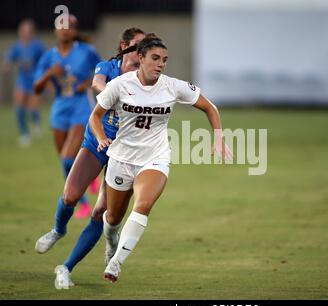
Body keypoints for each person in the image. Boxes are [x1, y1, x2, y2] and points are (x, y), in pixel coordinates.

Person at [89, 33, 233, 283]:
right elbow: (95, 116)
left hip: (154, 157)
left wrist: (218, 136)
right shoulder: (120, 85)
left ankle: (116, 263)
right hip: (122, 157)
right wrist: (101, 137)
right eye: (155, 58)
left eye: (164, 60)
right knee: (112, 219)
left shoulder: (172, 86)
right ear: (141, 58)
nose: (160, 64)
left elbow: (210, 107)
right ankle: (111, 244)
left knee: (143, 205)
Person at [34, 28, 145, 289]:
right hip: (97, 140)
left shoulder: (146, 79)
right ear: (124, 45)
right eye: (137, 45)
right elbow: (97, 84)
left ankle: (66, 267)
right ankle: (58, 230)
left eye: (145, 46)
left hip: (125, 151)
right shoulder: (107, 66)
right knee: (71, 195)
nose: (141, 51)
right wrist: (112, 92)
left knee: (103, 214)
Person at [33, 15, 101, 218]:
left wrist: (89, 82)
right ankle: (86, 183)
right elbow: (36, 88)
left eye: (69, 27)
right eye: (60, 27)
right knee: (64, 158)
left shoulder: (86, 51)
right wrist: (49, 74)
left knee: (66, 158)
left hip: (82, 106)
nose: (64, 31)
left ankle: (83, 204)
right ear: (55, 30)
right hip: (60, 107)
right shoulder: (49, 57)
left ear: (75, 31)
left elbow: (104, 72)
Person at [3, 19, 45, 147]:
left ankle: (37, 122)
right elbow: (9, 61)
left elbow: (45, 62)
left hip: (35, 80)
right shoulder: (17, 46)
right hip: (22, 81)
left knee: (32, 108)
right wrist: (6, 66)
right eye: (23, 30)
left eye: (28, 31)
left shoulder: (37, 46)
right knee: (19, 109)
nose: (25, 33)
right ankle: (25, 134)